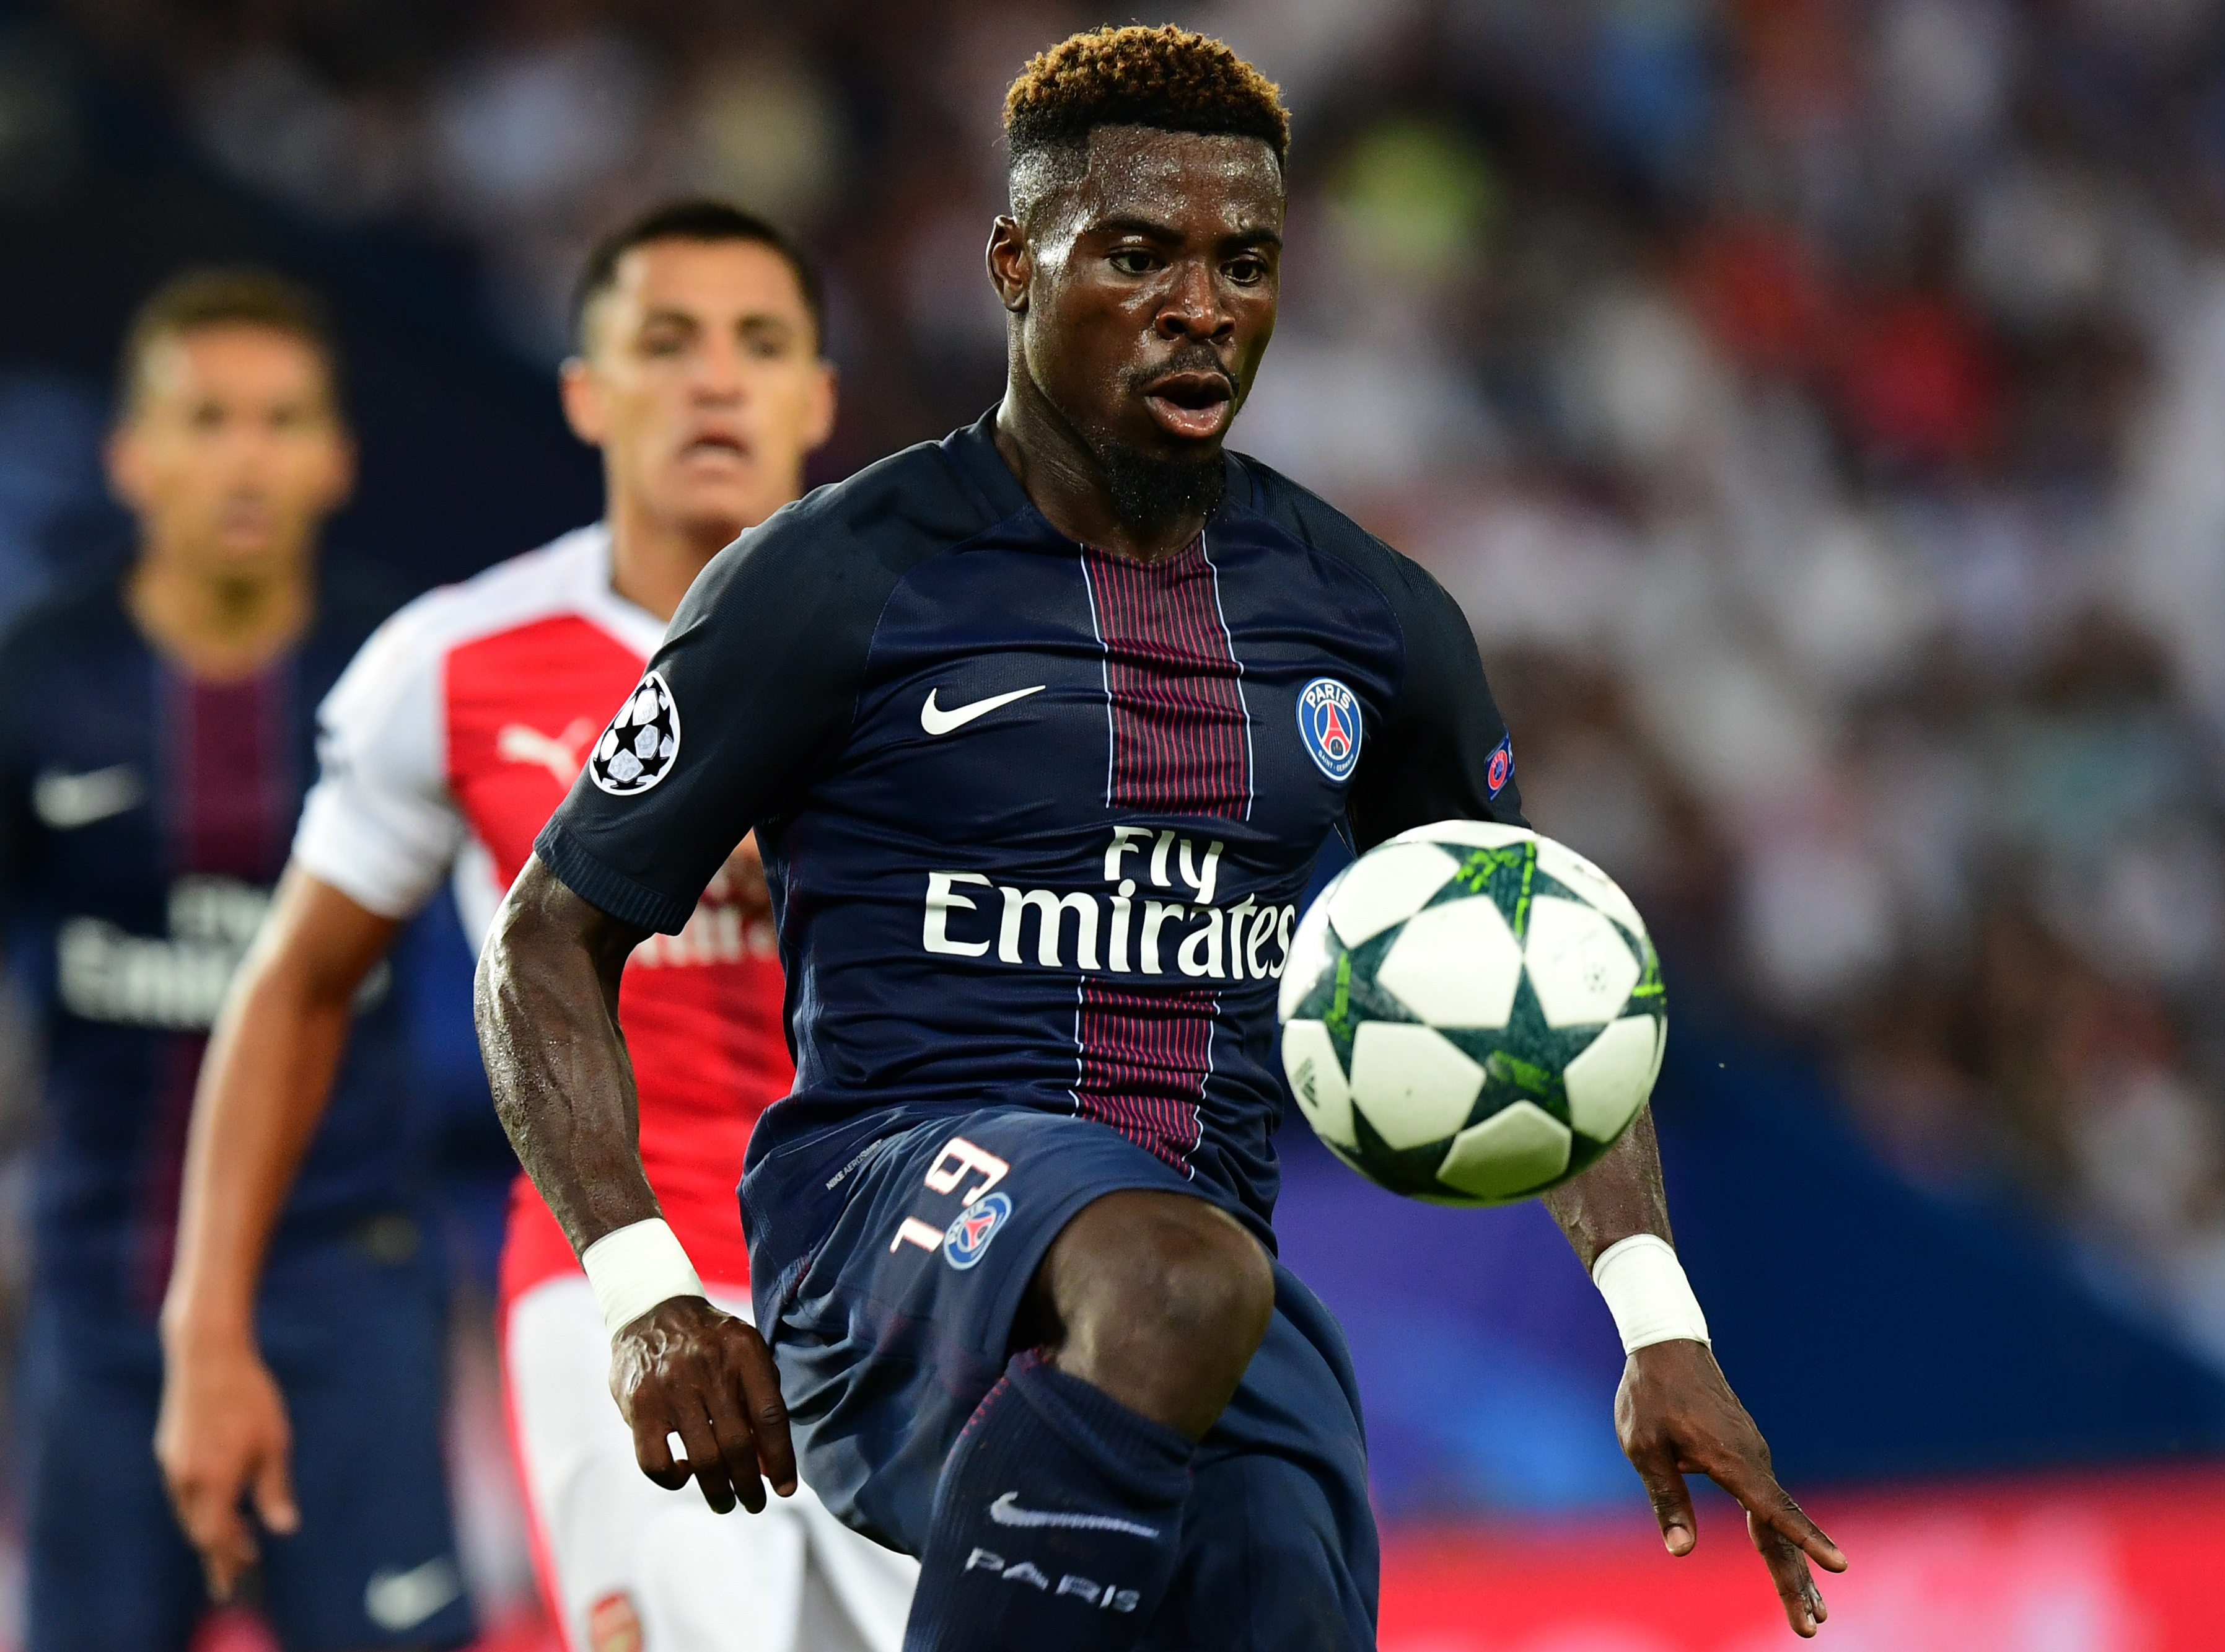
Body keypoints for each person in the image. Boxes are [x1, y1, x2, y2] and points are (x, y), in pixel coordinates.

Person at [476, 27, 1846, 1651]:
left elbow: (1535, 985)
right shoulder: (834, 580)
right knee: (1178, 1275)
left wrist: (1657, 1320)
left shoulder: (1368, 619)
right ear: (1014, 264)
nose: (1201, 305)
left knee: (1281, 1564)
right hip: (886, 1234)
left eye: (1243, 263)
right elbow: (544, 938)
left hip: (1194, 1281)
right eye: (1138, 255)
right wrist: (644, 1292)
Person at [154, 203, 918, 1652]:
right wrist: (207, 1323)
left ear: (817, 397)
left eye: (758, 344)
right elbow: (295, 987)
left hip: (913, 1281)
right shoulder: (454, 664)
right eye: (666, 341)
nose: (713, 379)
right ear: (584, 390)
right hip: (619, 1284)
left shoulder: (946, 657)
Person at [1, 270, 472, 1651]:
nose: (247, 458)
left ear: (336, 457)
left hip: (353, 1292)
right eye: (207, 419)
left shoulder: (404, 672)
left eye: (282, 420)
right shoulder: (39, 683)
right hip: (102, 1301)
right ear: (131, 455)